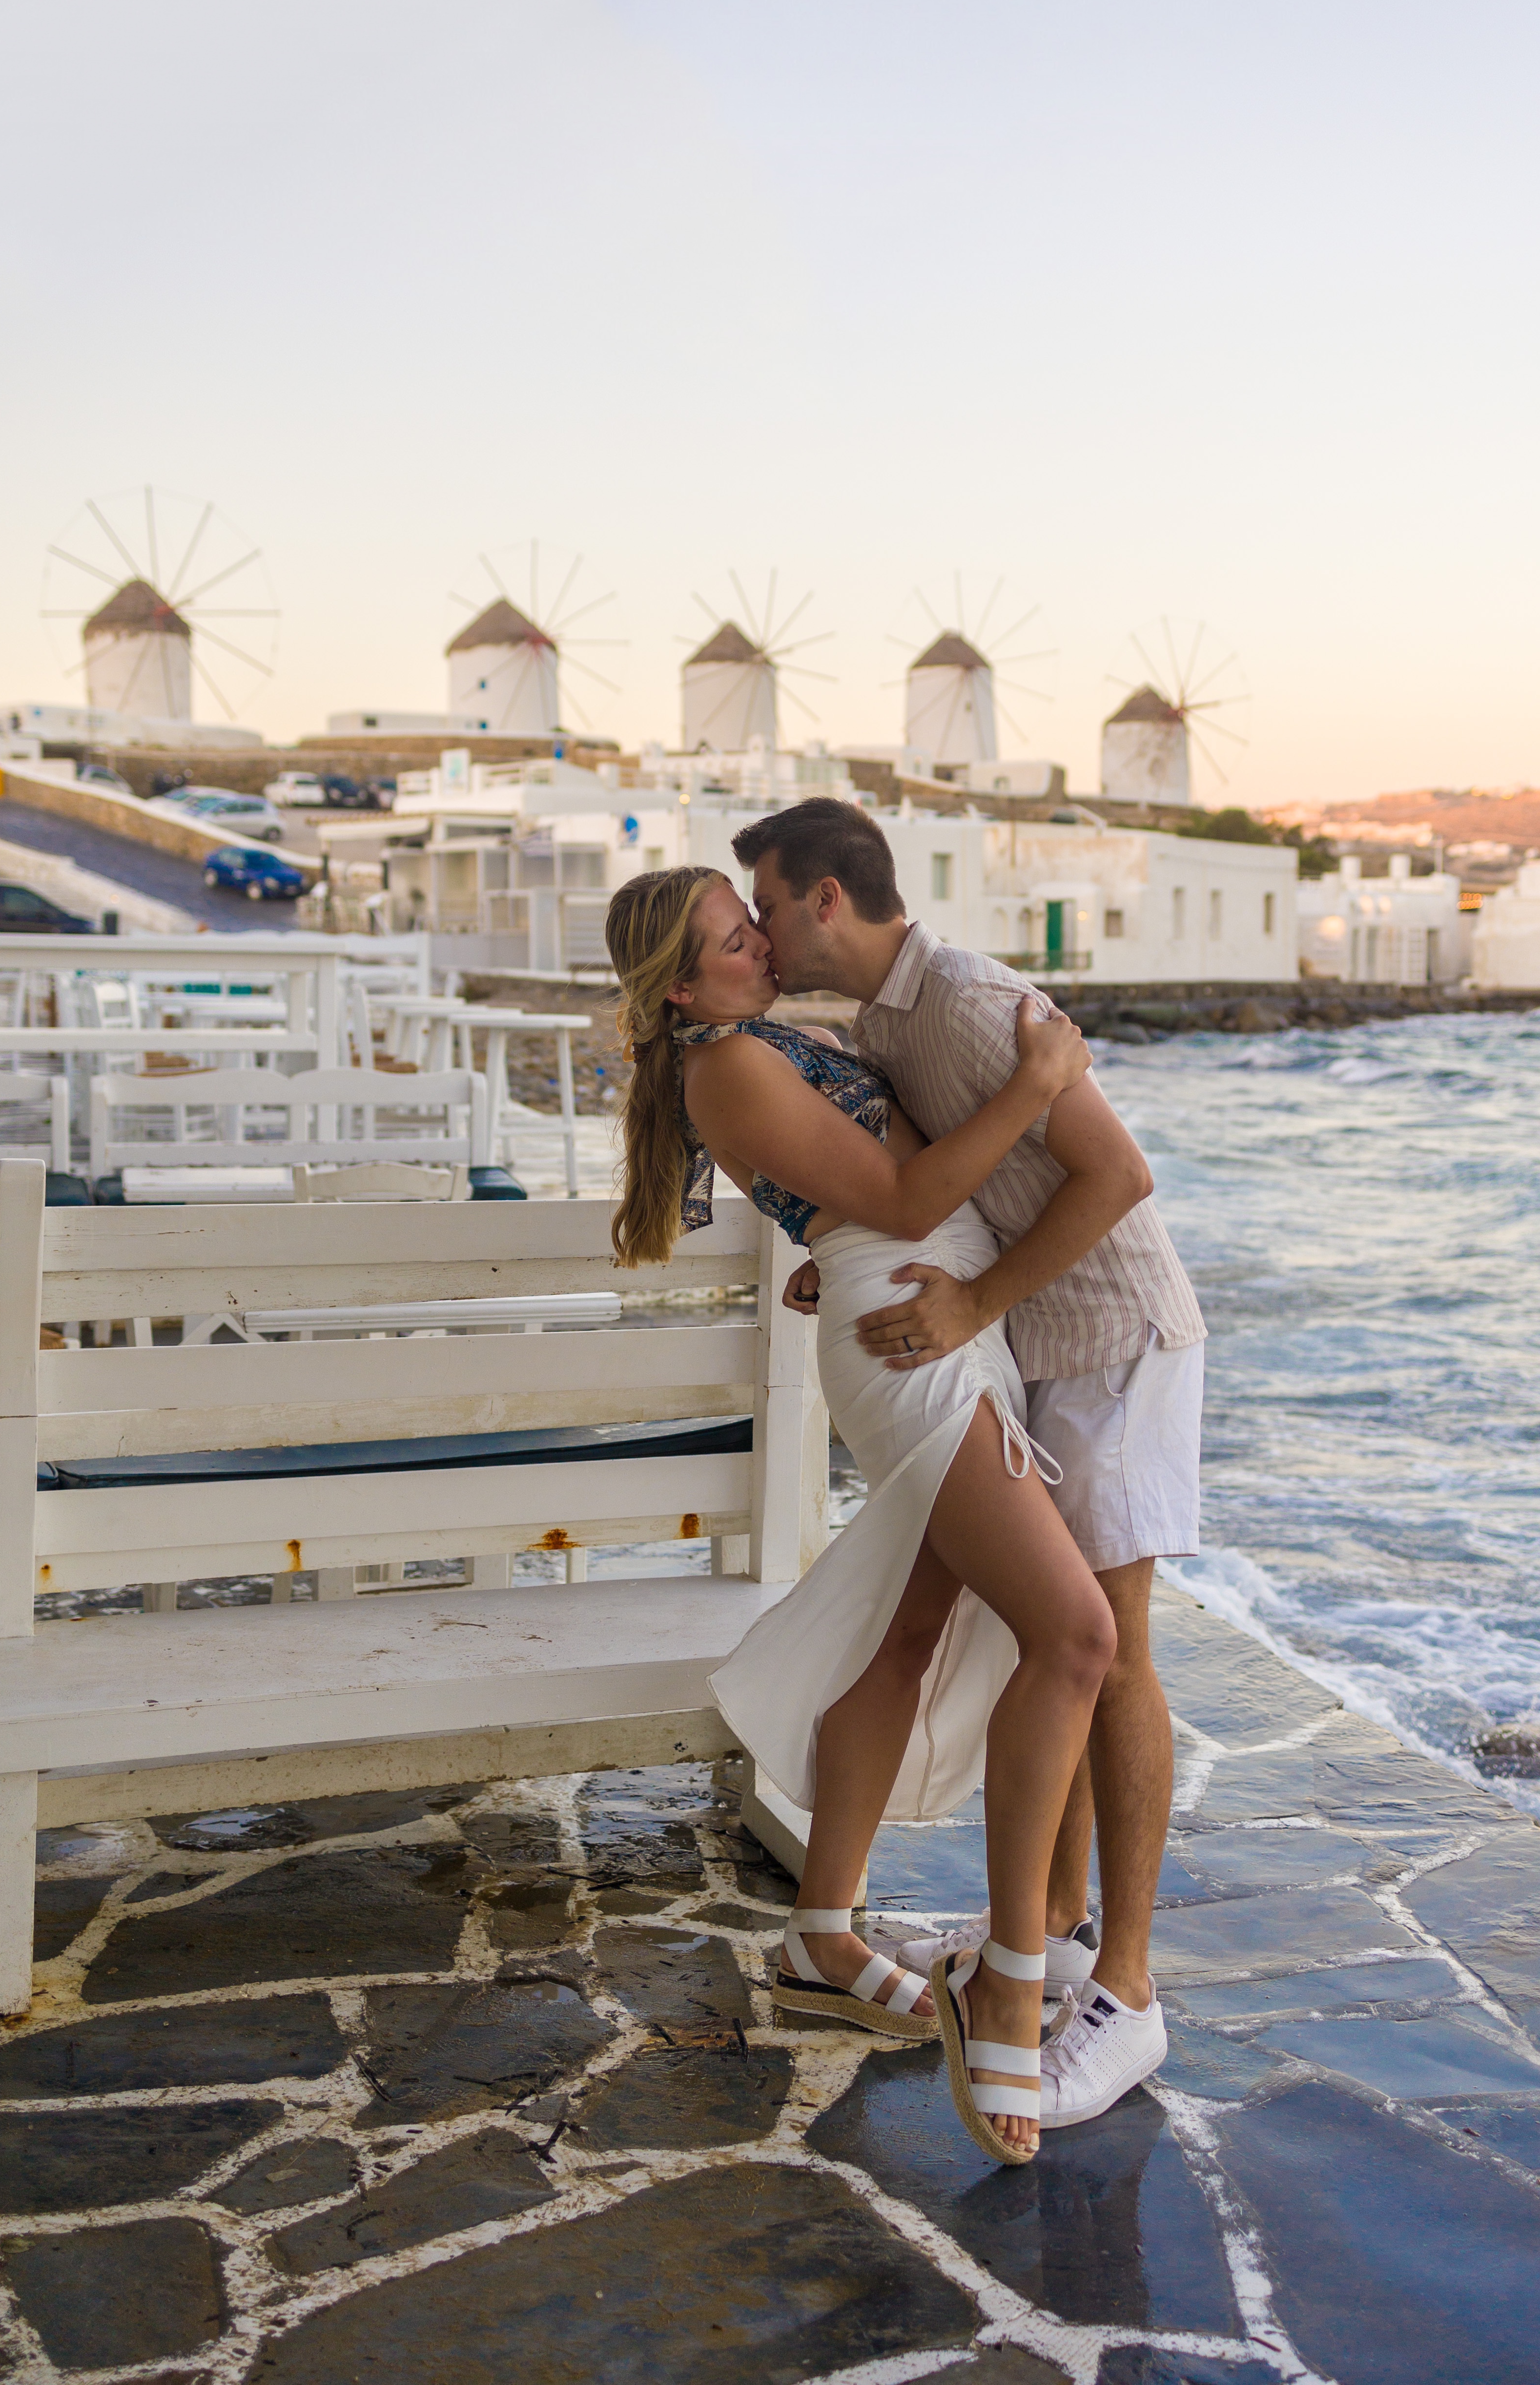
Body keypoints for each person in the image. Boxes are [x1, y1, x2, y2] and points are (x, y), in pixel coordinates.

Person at [605, 863, 1117, 2166]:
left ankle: (827, 1934)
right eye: (734, 940)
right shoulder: (720, 1065)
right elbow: (901, 1197)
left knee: (908, 1635)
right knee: (1078, 1637)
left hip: (918, 1309)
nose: (762, 946)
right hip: (915, 1337)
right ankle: (1008, 1973)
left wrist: (834, 1251)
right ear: (680, 986)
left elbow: (852, 1183)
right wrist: (1039, 1088)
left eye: (755, 922)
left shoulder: (754, 1042)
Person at [732, 798, 1206, 2132]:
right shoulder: (877, 1024)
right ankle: (1049, 1935)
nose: (763, 933)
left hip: (1110, 1342)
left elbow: (1118, 1179)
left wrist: (970, 1307)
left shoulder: (965, 1003)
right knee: (1041, 1640)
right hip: (1023, 1344)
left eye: (768, 904)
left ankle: (1122, 1989)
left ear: (827, 897)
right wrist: (877, 1265)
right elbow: (931, 1180)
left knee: (1106, 1642)